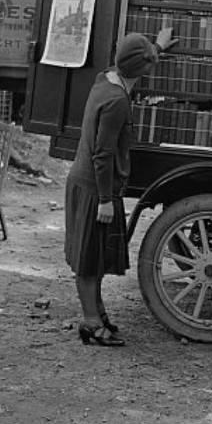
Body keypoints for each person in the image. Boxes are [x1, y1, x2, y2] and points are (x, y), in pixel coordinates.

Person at [66, 26, 174, 346]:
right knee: (88, 259)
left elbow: (134, 57)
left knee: (94, 256)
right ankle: (89, 322)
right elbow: (103, 153)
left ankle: (97, 315)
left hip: (84, 182)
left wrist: (158, 47)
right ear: (140, 71)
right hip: (94, 188)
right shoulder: (117, 103)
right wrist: (104, 200)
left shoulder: (106, 79)